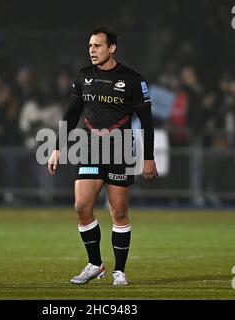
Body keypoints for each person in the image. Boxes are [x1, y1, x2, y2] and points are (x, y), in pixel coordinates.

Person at [47, 27, 157, 286]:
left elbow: (147, 121)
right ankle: (95, 264)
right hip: (90, 149)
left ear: (112, 48)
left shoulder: (132, 79)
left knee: (118, 212)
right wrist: (57, 147)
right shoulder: (84, 77)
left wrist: (148, 158)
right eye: (90, 46)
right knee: (81, 206)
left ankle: (120, 271)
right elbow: (72, 113)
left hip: (119, 150)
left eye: (97, 46)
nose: (92, 50)